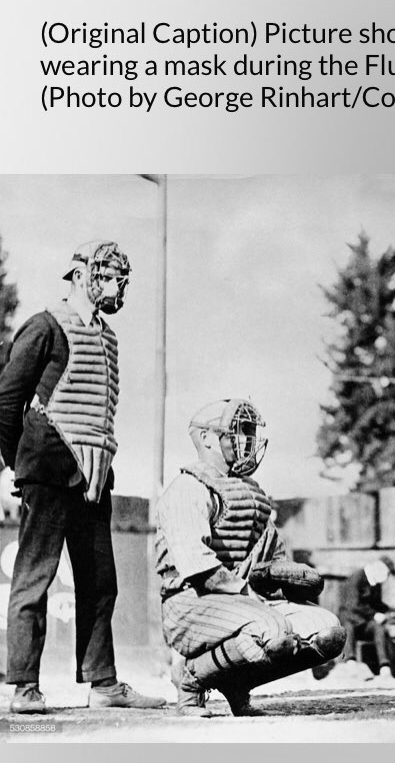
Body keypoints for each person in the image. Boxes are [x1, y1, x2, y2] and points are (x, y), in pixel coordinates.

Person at [0, 241, 165, 714]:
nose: (116, 285)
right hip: (49, 466)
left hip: (94, 472)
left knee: (99, 581)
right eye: (106, 274)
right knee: (35, 576)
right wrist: (21, 462)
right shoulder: (45, 325)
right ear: (78, 275)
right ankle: (25, 689)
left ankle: (102, 683)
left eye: (120, 278)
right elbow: (7, 401)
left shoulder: (107, 337)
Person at [155, 397, 346, 716]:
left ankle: (235, 684)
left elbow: (271, 563)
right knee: (272, 632)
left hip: (243, 602)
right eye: (237, 431)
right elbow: (201, 571)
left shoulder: (253, 495)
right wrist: (251, 594)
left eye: (250, 432)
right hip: (189, 603)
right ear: (206, 439)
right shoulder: (188, 487)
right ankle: (190, 681)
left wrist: (286, 581)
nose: (246, 440)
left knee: (329, 633)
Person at [338, 556, 395, 680]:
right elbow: (353, 605)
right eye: (386, 573)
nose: (386, 578)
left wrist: (393, 611)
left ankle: (384, 665)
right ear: (378, 567)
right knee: (347, 626)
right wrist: (374, 614)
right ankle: (351, 662)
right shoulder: (357, 577)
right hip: (350, 618)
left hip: (364, 622)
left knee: (378, 627)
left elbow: (376, 604)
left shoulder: (375, 583)